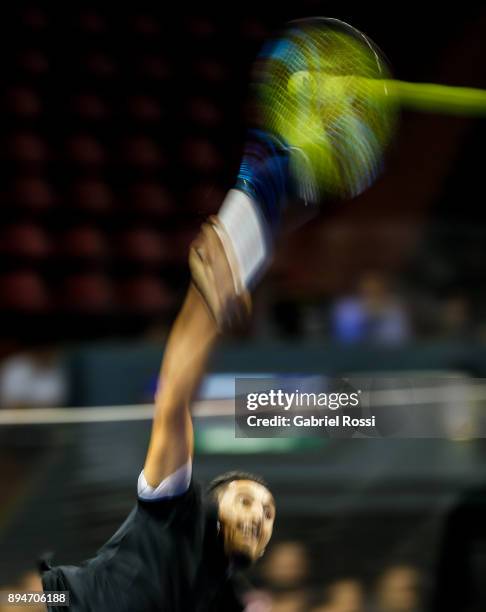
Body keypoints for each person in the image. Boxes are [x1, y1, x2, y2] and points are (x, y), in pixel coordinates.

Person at [40, 212, 276, 611]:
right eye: (247, 502)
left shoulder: (221, 593)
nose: (260, 516)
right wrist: (204, 311)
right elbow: (173, 400)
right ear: (213, 508)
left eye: (269, 513)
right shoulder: (175, 510)